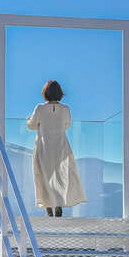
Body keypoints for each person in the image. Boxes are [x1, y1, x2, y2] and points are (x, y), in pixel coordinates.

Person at [26, 80, 87, 216]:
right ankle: (59, 204)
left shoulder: (40, 108)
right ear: (60, 93)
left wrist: (29, 119)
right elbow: (67, 125)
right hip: (61, 147)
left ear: (45, 93)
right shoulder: (65, 109)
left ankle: (48, 208)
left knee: (42, 176)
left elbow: (31, 125)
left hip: (44, 147)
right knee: (61, 177)